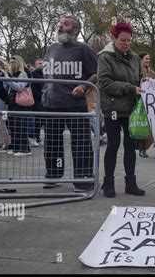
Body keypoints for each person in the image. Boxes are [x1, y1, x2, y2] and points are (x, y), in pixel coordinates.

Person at [42, 16, 96, 191]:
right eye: (60, 23)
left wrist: (83, 86)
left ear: (75, 30)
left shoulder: (84, 49)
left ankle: (84, 179)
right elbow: (46, 73)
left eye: (65, 24)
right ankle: (53, 175)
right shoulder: (51, 48)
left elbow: (96, 74)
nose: (60, 26)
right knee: (51, 142)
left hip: (75, 105)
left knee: (80, 143)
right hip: (51, 104)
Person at [98, 21, 146, 198]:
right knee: (113, 144)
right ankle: (108, 182)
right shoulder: (105, 57)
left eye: (129, 40)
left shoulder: (134, 58)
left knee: (130, 146)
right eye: (123, 40)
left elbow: (140, 77)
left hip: (131, 108)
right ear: (114, 38)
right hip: (112, 108)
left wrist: (145, 85)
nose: (126, 43)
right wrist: (129, 88)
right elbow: (104, 82)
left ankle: (131, 183)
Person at [6, 55, 32, 156]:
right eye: (10, 62)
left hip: (21, 102)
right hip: (12, 101)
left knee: (20, 125)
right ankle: (16, 147)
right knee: (13, 125)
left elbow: (19, 87)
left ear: (18, 63)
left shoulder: (23, 74)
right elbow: (7, 87)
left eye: (13, 62)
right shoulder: (13, 74)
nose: (11, 64)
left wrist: (8, 80)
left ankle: (25, 149)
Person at [136, 52, 155, 158]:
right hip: (139, 100)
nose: (148, 61)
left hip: (150, 101)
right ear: (140, 60)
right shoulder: (137, 70)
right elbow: (134, 82)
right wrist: (143, 80)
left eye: (149, 59)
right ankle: (142, 148)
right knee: (142, 125)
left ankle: (149, 145)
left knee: (149, 125)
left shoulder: (151, 71)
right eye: (146, 59)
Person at [27, 58, 45, 147]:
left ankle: (37, 137)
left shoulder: (45, 74)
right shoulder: (34, 74)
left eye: (42, 63)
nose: (41, 65)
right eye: (39, 63)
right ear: (36, 65)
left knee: (41, 120)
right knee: (37, 119)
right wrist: (40, 96)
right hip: (37, 99)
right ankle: (31, 137)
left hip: (44, 99)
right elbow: (33, 88)